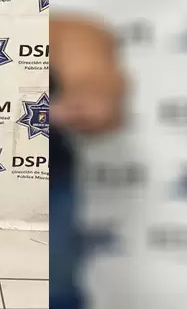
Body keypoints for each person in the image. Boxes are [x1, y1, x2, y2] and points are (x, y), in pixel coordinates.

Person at [49, 15, 126, 309]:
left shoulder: (65, 32)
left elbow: (100, 104)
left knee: (54, 292)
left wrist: (89, 97)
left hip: (45, 182)